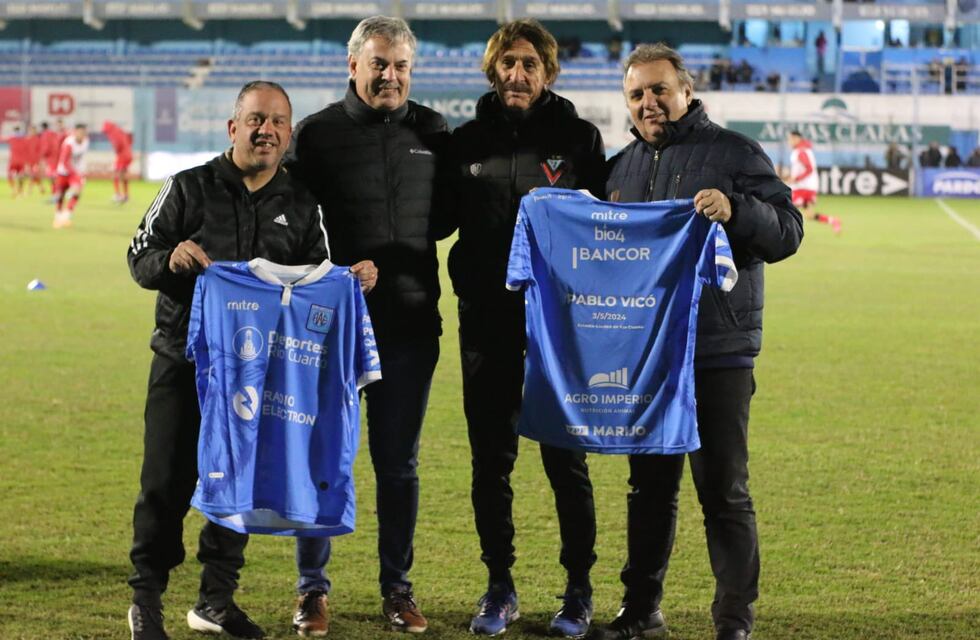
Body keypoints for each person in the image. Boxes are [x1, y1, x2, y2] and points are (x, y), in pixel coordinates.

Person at [125, 81, 376, 640]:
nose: (267, 131)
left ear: (288, 135)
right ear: (233, 128)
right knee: (164, 482)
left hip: (257, 374)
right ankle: (146, 598)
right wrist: (172, 257)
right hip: (182, 364)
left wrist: (350, 282)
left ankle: (215, 600)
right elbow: (139, 257)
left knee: (238, 484)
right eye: (256, 120)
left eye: (278, 123)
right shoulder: (187, 188)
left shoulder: (301, 202)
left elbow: (319, 281)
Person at [598, 43, 803, 640]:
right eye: (636, 94)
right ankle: (640, 613)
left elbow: (788, 231)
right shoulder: (622, 168)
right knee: (649, 489)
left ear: (686, 90)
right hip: (649, 355)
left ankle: (733, 622)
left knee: (724, 491)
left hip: (717, 349)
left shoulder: (735, 153)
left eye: (659, 89)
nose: (648, 103)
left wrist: (737, 210)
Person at [282, 16, 449, 637]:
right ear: (353, 65)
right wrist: (330, 272)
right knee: (324, 456)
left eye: (401, 65)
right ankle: (311, 588)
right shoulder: (317, 135)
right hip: (328, 327)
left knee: (398, 463)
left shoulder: (433, 131)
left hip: (408, 327)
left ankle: (397, 589)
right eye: (379, 63)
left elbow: (450, 216)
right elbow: (287, 224)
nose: (391, 76)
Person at [444, 18, 606, 638]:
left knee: (566, 461)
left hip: (560, 330)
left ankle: (578, 590)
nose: (517, 74)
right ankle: (499, 585)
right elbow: (432, 222)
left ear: (547, 73)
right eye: (508, 62)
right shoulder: (464, 142)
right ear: (493, 68)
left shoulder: (579, 139)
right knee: (492, 461)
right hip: (485, 324)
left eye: (529, 64)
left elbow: (606, 229)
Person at [787, 130, 841, 234]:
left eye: (790, 139)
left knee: (787, 208)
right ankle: (833, 221)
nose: (789, 142)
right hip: (809, 187)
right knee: (809, 215)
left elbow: (809, 168)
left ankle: (778, 234)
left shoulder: (800, 151)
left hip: (802, 187)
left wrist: (796, 179)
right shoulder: (805, 150)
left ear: (796, 138)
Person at [51, 123, 89, 229]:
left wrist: (81, 173)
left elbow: (81, 159)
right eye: (80, 132)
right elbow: (65, 161)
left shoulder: (85, 142)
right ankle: (57, 217)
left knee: (77, 191)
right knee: (60, 195)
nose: (82, 135)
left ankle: (66, 216)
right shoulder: (69, 143)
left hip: (75, 172)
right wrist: (75, 172)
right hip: (63, 172)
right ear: (75, 132)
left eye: (83, 133)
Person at [103, 120, 134, 203]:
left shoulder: (113, 133)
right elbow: (130, 139)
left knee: (116, 174)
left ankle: (117, 194)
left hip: (122, 156)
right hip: (128, 154)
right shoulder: (119, 131)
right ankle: (126, 195)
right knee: (123, 175)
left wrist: (117, 150)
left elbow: (118, 144)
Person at [1, 124, 28, 198]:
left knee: (10, 175)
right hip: (21, 161)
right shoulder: (24, 139)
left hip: (13, 161)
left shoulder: (12, 138)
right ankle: (20, 190)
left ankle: (14, 189)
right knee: (21, 176)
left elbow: (2, 139)